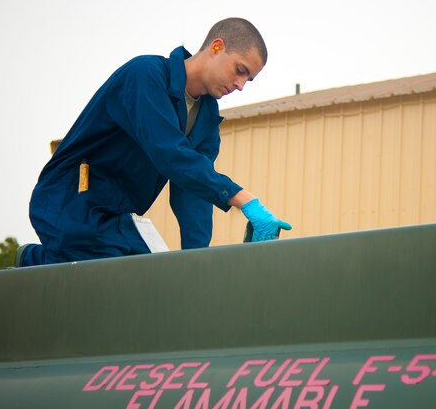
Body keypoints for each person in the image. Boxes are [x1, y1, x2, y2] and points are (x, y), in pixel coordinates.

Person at [16, 17, 291, 267]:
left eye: (249, 80)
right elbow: (169, 153)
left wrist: (197, 260)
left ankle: (53, 259)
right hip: (69, 199)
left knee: (154, 273)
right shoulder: (145, 75)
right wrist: (244, 199)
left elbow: (192, 191)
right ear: (217, 47)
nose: (241, 85)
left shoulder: (206, 119)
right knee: (117, 274)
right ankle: (34, 260)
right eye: (240, 70)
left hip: (114, 217)